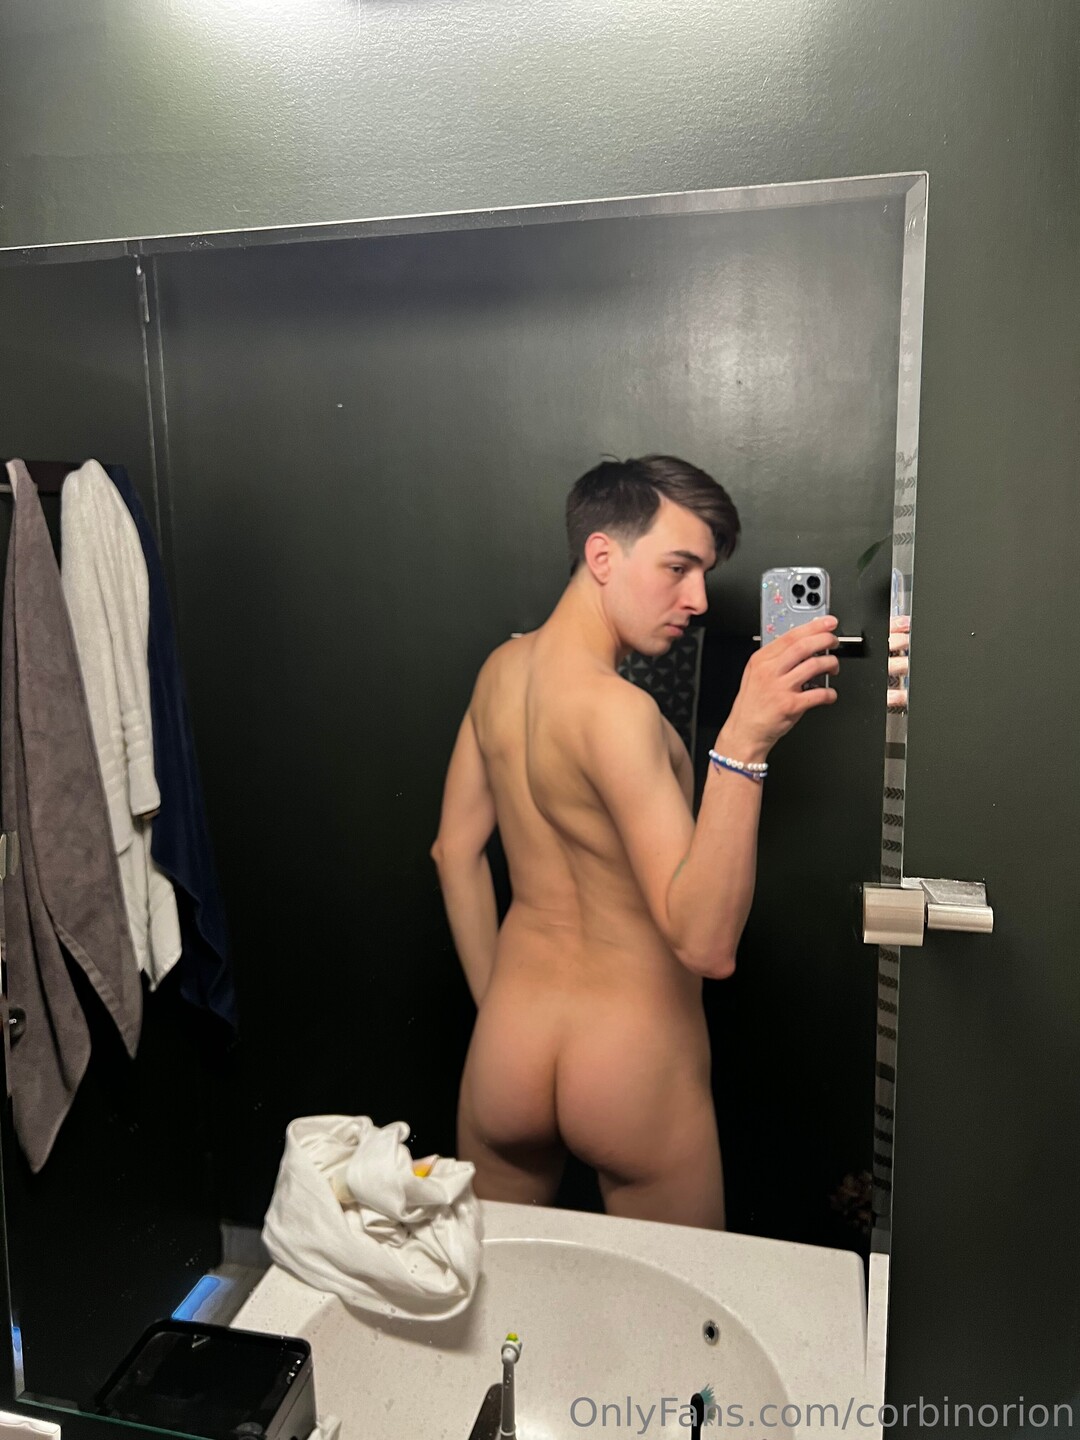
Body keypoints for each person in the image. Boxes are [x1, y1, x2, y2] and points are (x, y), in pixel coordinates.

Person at [430, 455, 840, 1228]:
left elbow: (453, 853)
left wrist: (498, 1011)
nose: (696, 600)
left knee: (496, 1293)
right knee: (678, 1307)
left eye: (704, 574)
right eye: (678, 567)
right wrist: (744, 741)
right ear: (602, 556)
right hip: (630, 1057)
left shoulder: (499, 671)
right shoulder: (619, 714)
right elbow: (705, 944)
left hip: (507, 1044)